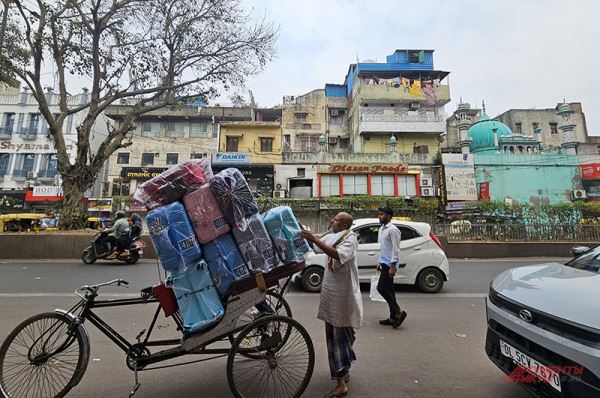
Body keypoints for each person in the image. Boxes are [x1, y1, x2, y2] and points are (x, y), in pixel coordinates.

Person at [301, 212, 363, 398]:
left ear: (343, 225)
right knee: (339, 335)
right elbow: (318, 246)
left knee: (337, 338)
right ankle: (344, 368)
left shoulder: (350, 239)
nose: (331, 221)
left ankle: (341, 382)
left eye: (335, 219)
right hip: (332, 295)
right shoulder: (333, 235)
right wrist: (305, 232)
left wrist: (314, 239)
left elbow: (337, 254)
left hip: (342, 297)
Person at [376, 205, 407, 329]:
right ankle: (392, 317)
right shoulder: (382, 228)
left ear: (388, 216)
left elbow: (395, 249)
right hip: (384, 262)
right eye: (379, 214)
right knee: (390, 291)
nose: (379, 216)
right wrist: (379, 261)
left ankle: (399, 311)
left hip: (390, 264)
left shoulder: (393, 230)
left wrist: (393, 266)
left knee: (381, 288)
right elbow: (384, 248)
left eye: (381, 214)